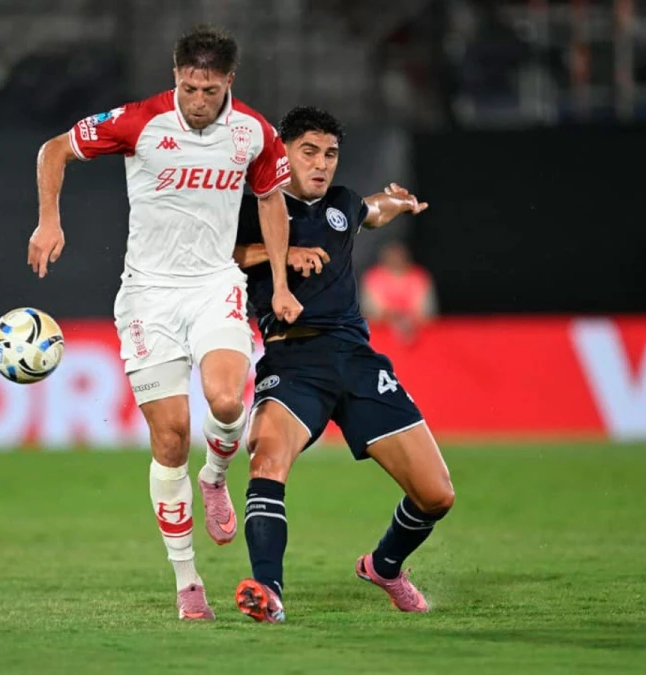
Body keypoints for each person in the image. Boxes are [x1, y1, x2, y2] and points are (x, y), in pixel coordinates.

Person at [27, 24, 302, 621]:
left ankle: (216, 477)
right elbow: (54, 149)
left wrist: (279, 283)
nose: (196, 101)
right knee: (171, 435)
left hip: (214, 286)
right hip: (148, 297)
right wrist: (49, 221)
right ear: (174, 76)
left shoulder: (253, 132)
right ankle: (188, 583)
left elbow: (271, 201)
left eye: (208, 89)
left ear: (229, 82)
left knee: (229, 403)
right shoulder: (138, 121)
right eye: (187, 86)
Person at [229, 106, 455, 623]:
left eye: (330, 154)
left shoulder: (340, 204)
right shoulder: (252, 208)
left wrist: (396, 203)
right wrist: (283, 254)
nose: (322, 163)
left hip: (356, 359)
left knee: (436, 495)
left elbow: (369, 210)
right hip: (293, 358)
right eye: (308, 151)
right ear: (281, 154)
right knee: (267, 460)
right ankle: (269, 591)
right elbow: (224, 253)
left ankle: (385, 565)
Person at [361, 239, 438, 344]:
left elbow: (426, 312)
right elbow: (371, 312)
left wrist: (408, 321)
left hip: (417, 331)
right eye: (392, 256)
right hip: (380, 337)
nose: (395, 259)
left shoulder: (419, 276)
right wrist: (395, 319)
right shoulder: (373, 277)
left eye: (399, 256)